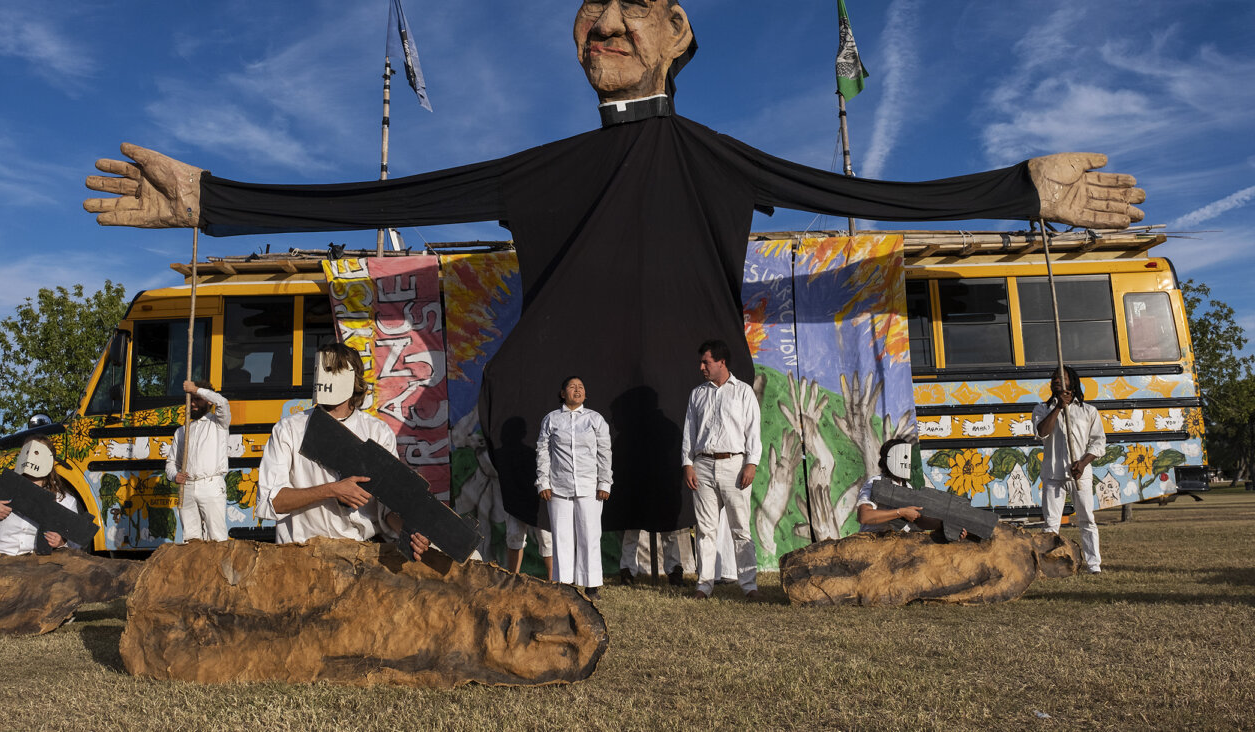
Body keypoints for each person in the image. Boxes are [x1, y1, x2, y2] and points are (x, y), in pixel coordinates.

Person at [84, 1, 1145, 546]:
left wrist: (1021, 188)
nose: (612, 22)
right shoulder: (547, 168)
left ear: (679, 37)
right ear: (575, 41)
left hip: (681, 402)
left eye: (641, 6)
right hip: (558, 414)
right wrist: (212, 204)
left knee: (704, 490)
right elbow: (377, 205)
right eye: (595, 7)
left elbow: (869, 197)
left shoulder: (709, 155)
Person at [257, 343, 429, 559]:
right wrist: (332, 490)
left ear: (353, 378)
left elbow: (388, 509)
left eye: (335, 370)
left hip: (359, 556)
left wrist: (410, 531)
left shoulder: (376, 432)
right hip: (300, 558)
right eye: (323, 369)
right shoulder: (290, 429)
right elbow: (272, 502)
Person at [681, 340, 761, 600]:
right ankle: (704, 585)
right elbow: (689, 432)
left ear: (721, 362)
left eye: (706, 362)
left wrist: (751, 463)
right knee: (705, 529)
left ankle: (749, 586)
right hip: (702, 464)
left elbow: (753, 431)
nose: (701, 367)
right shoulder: (697, 393)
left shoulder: (743, 392)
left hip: (734, 465)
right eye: (701, 362)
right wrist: (687, 464)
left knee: (740, 528)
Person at [536, 376, 613, 599]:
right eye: (572, 387)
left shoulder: (594, 419)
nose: (577, 390)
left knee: (589, 534)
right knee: (561, 535)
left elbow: (604, 452)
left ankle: (591, 585)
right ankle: (564, 584)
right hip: (559, 486)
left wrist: (604, 482)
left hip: (590, 485)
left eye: (581, 387)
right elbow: (542, 452)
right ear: (563, 393)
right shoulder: (551, 419)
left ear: (585, 394)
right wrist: (543, 482)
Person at [1033, 365, 1107, 574]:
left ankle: (1094, 566)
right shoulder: (1042, 409)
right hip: (1053, 474)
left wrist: (1083, 463)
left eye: (1061, 378)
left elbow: (1099, 443)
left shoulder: (1088, 411)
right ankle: (1048, 566)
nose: (1056, 380)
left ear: (1072, 382)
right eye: (1054, 378)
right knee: (1050, 525)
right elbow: (1042, 433)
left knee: (1086, 520)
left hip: (1080, 474)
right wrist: (1057, 407)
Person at [0, 436, 80, 556]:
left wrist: (62, 542)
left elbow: (78, 540)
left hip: (34, 564)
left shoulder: (64, 500)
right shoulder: (1, 486)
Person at [165, 379, 231, 542]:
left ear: (208, 401)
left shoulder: (219, 423)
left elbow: (222, 402)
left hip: (211, 485)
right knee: (190, 538)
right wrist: (174, 476)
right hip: (187, 487)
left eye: (197, 399)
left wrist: (196, 389)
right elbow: (171, 463)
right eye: (191, 399)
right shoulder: (181, 431)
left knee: (217, 538)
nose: (193, 403)